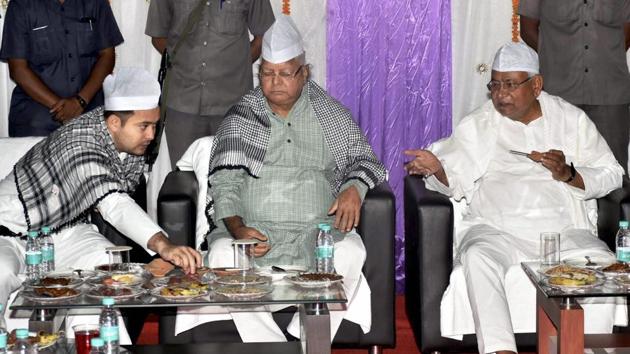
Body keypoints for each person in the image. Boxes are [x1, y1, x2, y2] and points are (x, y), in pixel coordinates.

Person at [174, 15, 387, 342]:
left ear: (305, 72)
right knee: (221, 256)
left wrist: (353, 188)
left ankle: (306, 339)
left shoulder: (332, 114)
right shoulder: (242, 116)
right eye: (267, 73)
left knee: (352, 251)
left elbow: (364, 158)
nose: (275, 82)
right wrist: (238, 228)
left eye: (286, 73)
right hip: (254, 234)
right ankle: (270, 345)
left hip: (315, 232)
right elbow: (225, 184)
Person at [404, 42, 624, 354]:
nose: (500, 94)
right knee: (477, 256)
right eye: (494, 84)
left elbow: (612, 172)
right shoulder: (480, 123)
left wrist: (569, 174)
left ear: (536, 85)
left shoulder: (569, 119)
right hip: (497, 230)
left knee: (603, 265)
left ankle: (584, 349)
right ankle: (500, 349)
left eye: (510, 84)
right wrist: (439, 170)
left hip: (562, 232)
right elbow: (455, 170)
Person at [0, 67, 202, 317]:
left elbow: (122, 198)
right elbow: (113, 203)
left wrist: (150, 260)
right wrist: (164, 245)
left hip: (66, 230)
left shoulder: (123, 143)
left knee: (112, 270)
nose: (152, 135)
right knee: (2, 271)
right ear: (115, 122)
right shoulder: (79, 142)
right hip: (11, 232)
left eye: (154, 125)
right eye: (144, 126)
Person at [145, 0, 275, 166]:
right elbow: (158, 36)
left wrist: (237, 64)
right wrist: (181, 63)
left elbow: (264, 35)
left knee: (232, 178)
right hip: (182, 106)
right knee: (185, 182)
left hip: (233, 105)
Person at [519, 0, 630, 172]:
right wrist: (556, 56)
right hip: (558, 91)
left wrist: (602, 58)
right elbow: (527, 29)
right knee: (557, 169)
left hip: (609, 91)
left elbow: (626, 33)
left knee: (613, 170)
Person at [0, 0, 123, 136]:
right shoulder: (21, 5)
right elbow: (18, 70)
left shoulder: (95, 3)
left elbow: (107, 55)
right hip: (36, 115)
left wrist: (80, 102)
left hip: (90, 108)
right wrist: (62, 108)